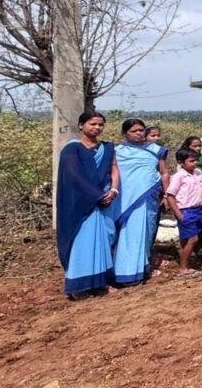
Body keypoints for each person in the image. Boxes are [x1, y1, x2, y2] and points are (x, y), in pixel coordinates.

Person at [56, 111, 119, 298]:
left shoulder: (107, 148)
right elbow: (74, 177)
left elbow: (114, 168)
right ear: (81, 125)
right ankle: (78, 287)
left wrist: (114, 191)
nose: (97, 128)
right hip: (81, 206)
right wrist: (98, 196)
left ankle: (99, 284)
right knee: (82, 243)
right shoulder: (71, 149)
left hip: (105, 202)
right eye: (93, 124)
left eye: (100, 125)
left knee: (103, 242)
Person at [113, 118, 167, 286]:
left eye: (141, 130)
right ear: (124, 133)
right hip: (125, 202)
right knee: (125, 234)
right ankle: (122, 271)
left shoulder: (155, 150)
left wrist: (166, 195)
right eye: (133, 131)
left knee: (146, 233)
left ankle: (143, 268)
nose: (138, 133)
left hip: (149, 199)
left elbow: (164, 173)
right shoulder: (117, 151)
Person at [165, 147, 202, 277]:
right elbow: (170, 195)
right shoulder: (179, 176)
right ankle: (183, 268)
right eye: (191, 161)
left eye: (196, 160)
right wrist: (179, 214)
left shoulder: (197, 173)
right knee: (193, 239)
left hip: (198, 209)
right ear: (181, 163)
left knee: (187, 239)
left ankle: (186, 264)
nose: (195, 163)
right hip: (186, 211)